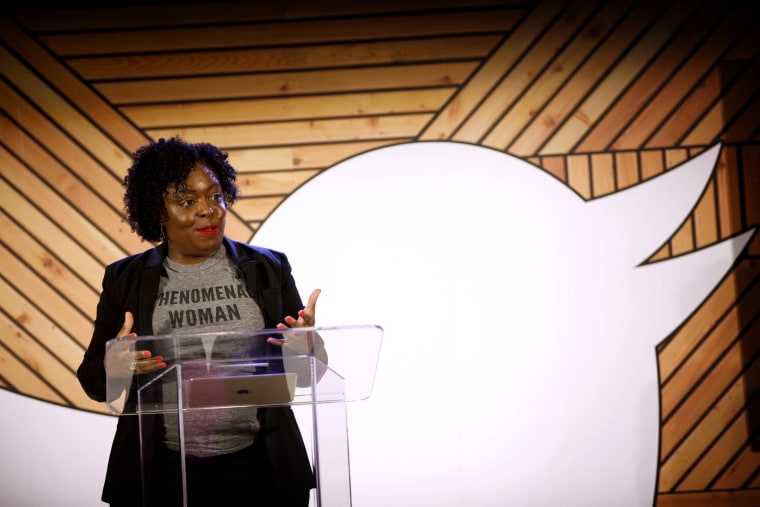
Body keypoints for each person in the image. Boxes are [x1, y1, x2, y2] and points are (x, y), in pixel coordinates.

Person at [77, 137, 322, 507]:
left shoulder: (268, 269)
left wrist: (309, 346)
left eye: (216, 195)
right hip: (159, 474)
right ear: (159, 211)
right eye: (186, 201)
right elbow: (95, 384)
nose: (208, 210)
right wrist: (113, 365)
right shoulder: (125, 279)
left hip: (261, 469)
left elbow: (308, 375)